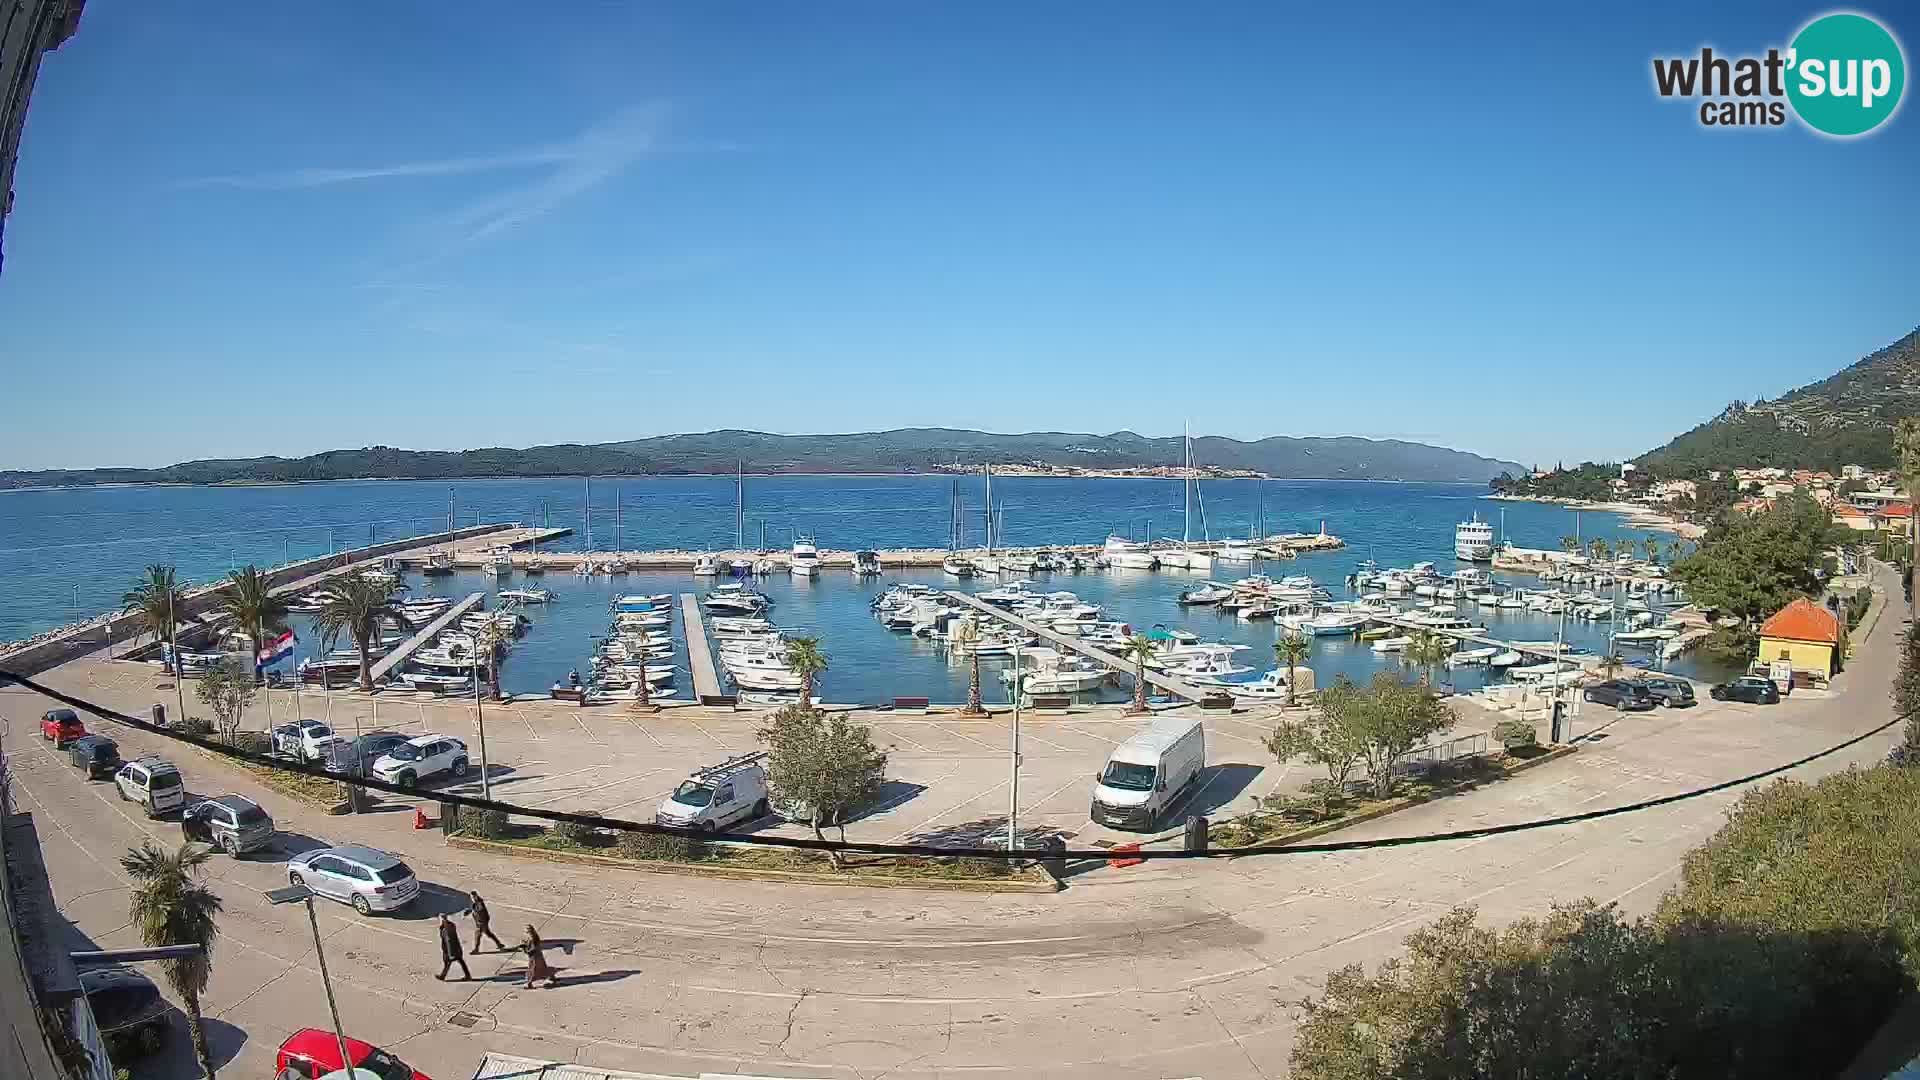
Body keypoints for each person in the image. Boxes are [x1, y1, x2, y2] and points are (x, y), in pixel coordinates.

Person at [436, 913, 470, 981]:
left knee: (452, 961)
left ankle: (443, 976)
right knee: (456, 961)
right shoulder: (445, 927)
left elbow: (450, 940)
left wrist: (450, 952)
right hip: (450, 948)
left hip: (452, 949)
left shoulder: (448, 928)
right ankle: (443, 976)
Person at [521, 924, 557, 988]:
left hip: (534, 958)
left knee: (533, 970)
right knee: (543, 968)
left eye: (526, 931)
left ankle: (529, 983)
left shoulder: (533, 939)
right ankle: (551, 977)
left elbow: (531, 950)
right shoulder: (534, 937)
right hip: (538, 956)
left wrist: (524, 948)